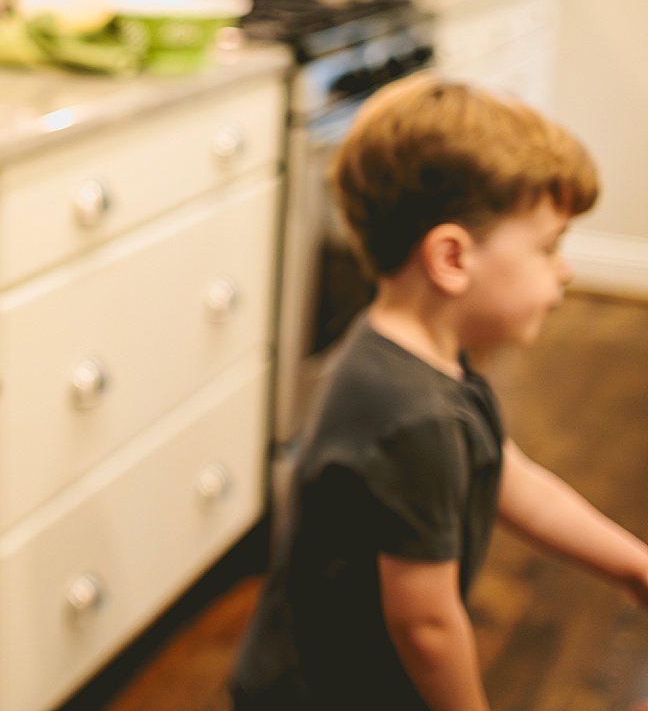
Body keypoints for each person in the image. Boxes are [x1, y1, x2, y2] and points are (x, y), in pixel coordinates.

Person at [231, 76, 648, 711]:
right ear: (452, 259)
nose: (564, 270)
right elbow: (426, 629)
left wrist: (632, 563)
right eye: (547, 248)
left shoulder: (416, 353)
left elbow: (507, 476)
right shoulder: (412, 415)